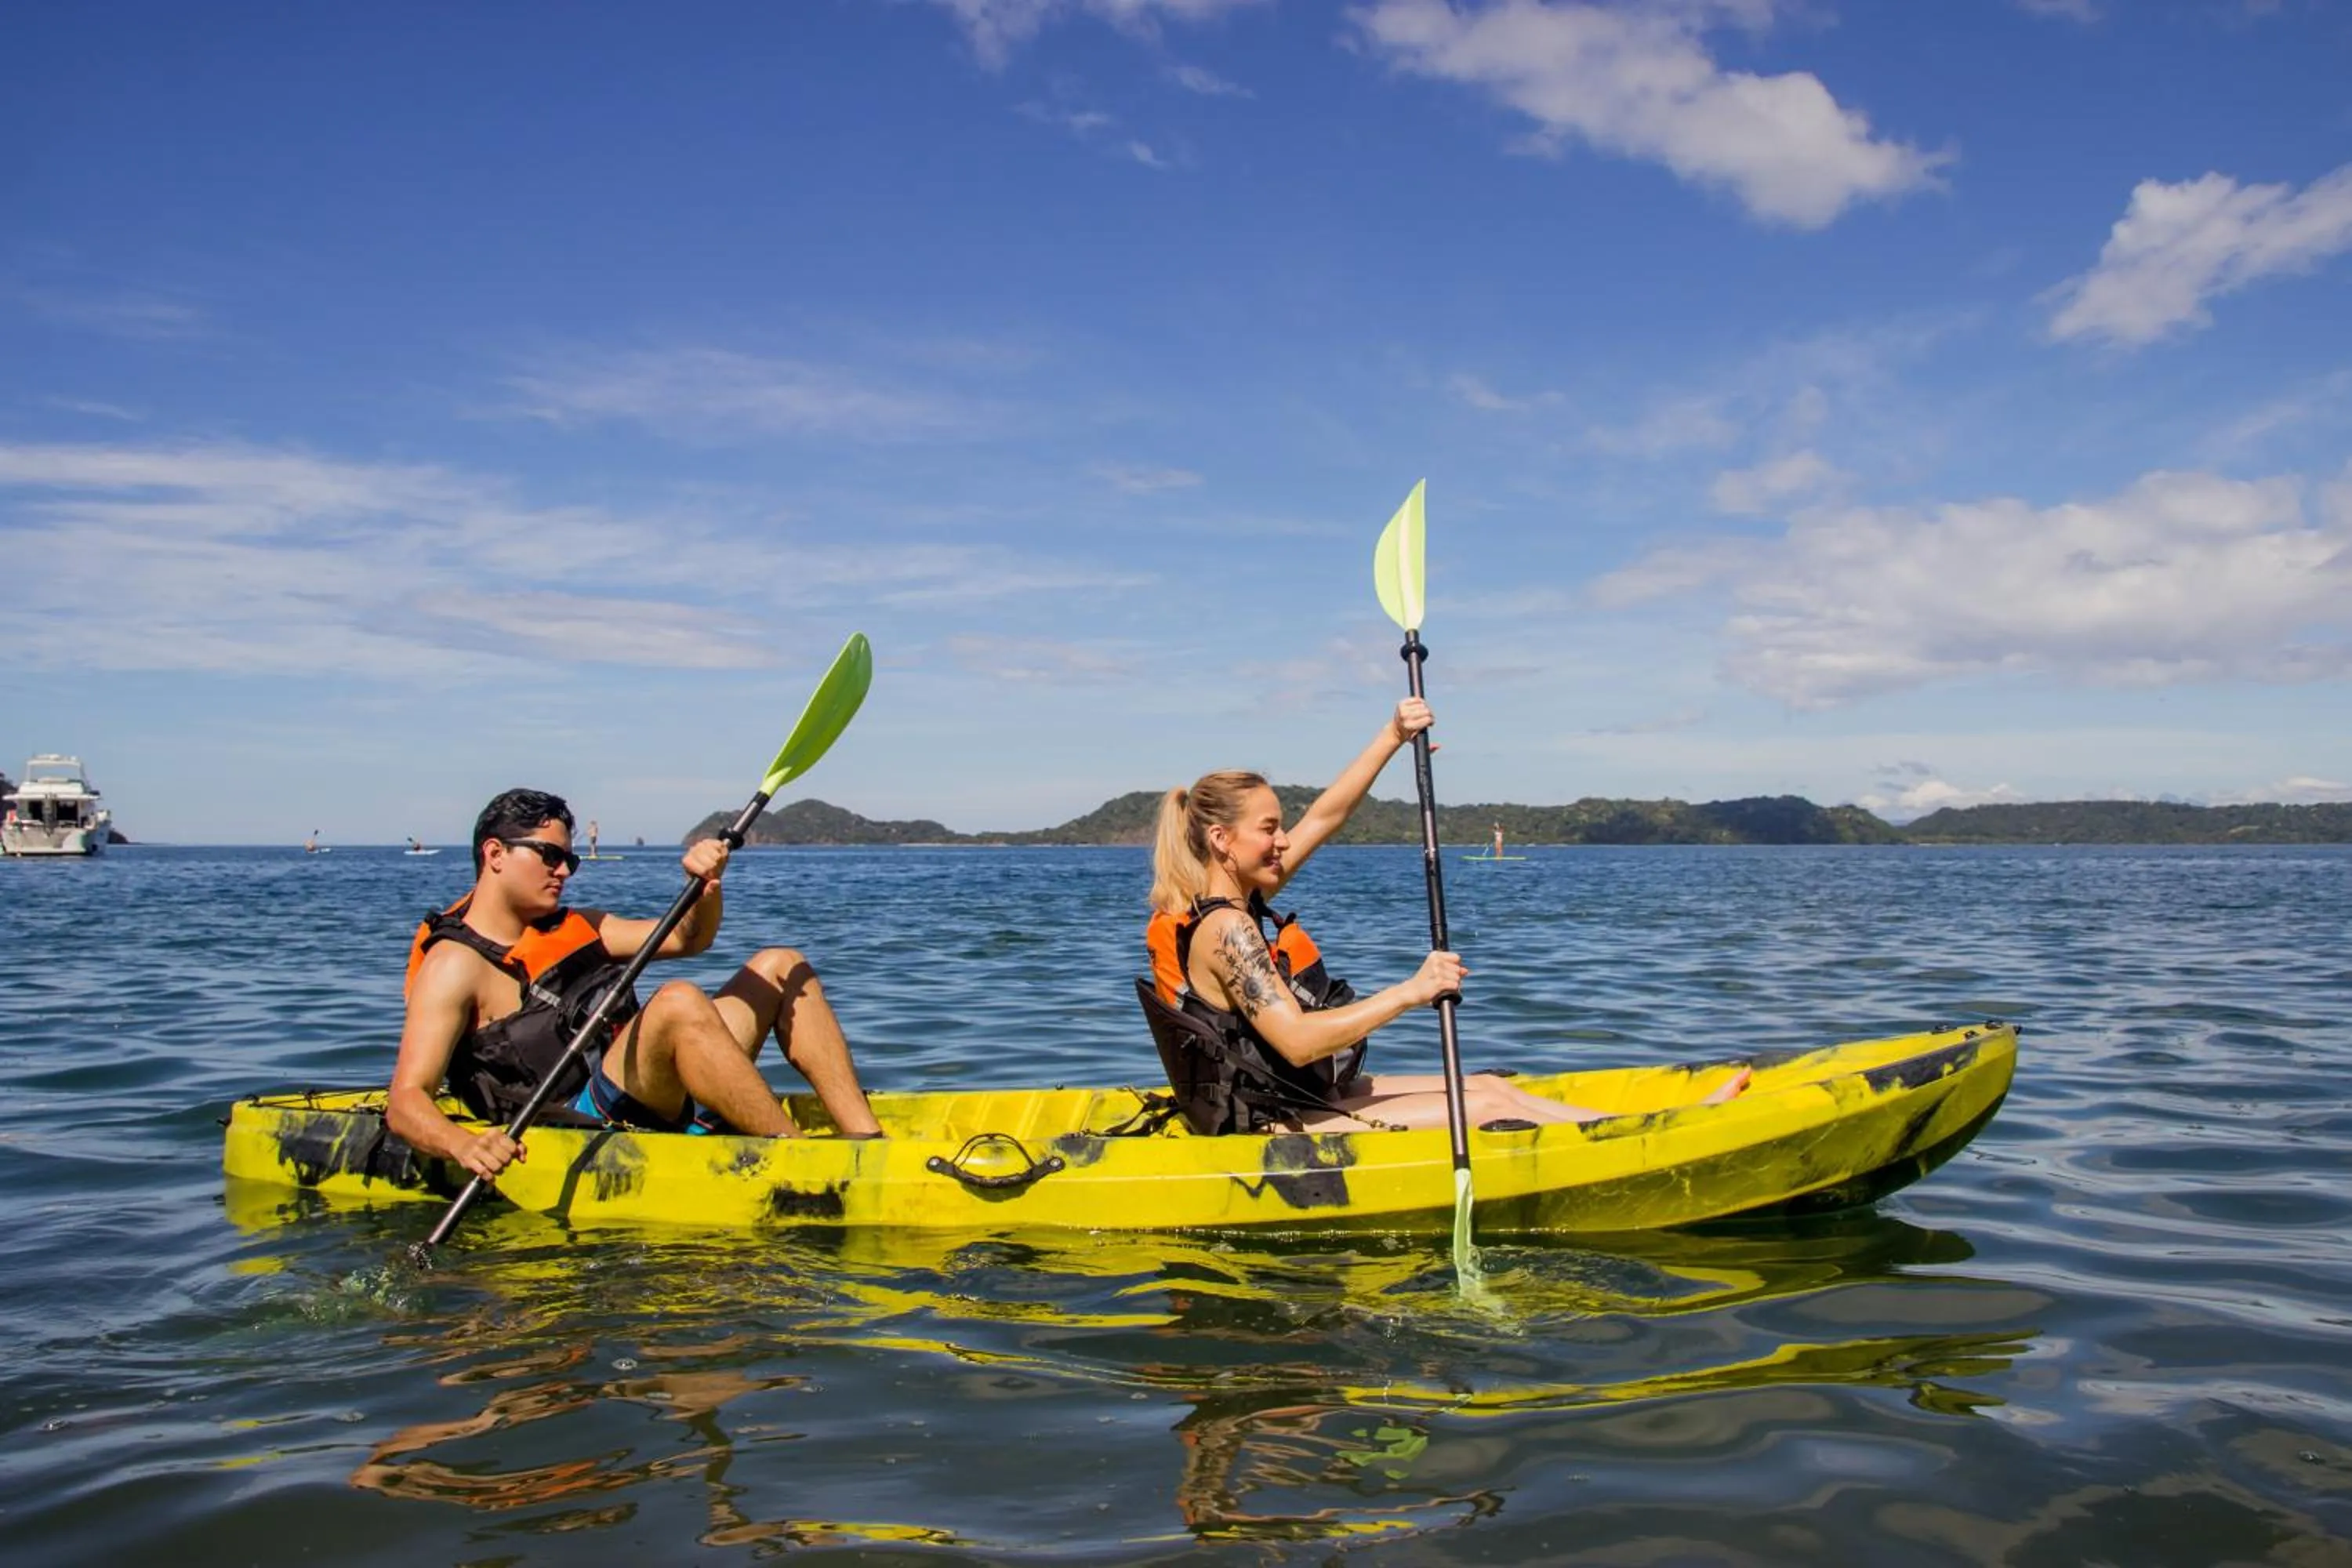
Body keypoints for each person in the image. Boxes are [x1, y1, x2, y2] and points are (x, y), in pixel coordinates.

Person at [1146, 698, 1664, 1135]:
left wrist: (1393, 736)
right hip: (1269, 1125)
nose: (1283, 839)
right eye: (1269, 828)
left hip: (1294, 1097)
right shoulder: (1226, 929)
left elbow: (1326, 816)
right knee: (1487, 1108)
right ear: (1222, 839)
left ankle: (1643, 1127)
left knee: (1488, 1087)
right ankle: (1638, 1142)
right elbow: (1298, 1043)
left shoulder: (1244, 900)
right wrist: (1411, 992)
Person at [390, 787, 884, 1185]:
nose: (563, 871)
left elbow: (689, 937)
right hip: (577, 1123)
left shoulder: (580, 927)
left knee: (781, 964)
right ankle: (802, 1163)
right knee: (676, 1002)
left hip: (647, 1093)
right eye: (549, 856)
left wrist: (707, 886)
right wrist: (463, 1145)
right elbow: (407, 1100)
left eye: (569, 860)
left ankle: (870, 1144)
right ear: (495, 853)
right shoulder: (454, 965)